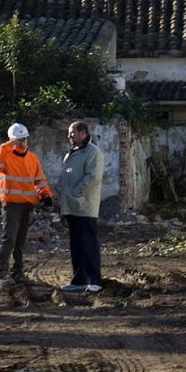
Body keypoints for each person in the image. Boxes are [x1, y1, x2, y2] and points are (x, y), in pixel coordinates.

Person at [0, 122, 53, 284]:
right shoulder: (5, 156)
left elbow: (39, 180)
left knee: (20, 241)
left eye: (24, 139)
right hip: (11, 205)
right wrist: (6, 146)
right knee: (9, 238)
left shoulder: (32, 158)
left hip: (27, 205)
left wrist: (46, 195)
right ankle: (0, 274)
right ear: (12, 141)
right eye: (19, 140)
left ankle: (17, 272)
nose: (23, 143)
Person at [57, 120, 105, 293]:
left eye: (72, 133)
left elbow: (93, 177)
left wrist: (77, 192)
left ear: (83, 133)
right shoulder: (71, 153)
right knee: (76, 245)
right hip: (71, 207)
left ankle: (94, 280)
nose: (69, 136)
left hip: (84, 207)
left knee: (88, 244)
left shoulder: (93, 152)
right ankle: (79, 280)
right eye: (69, 133)